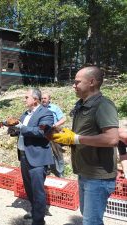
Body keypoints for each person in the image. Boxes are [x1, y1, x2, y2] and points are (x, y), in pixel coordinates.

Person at [51, 66, 119, 225]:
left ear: (92, 82)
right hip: (85, 173)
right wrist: (64, 135)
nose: (73, 85)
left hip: (98, 177)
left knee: (91, 222)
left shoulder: (103, 105)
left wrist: (75, 139)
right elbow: (84, 134)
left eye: (77, 82)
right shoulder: (81, 105)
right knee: (87, 218)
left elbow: (112, 139)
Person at [9, 88, 54, 225]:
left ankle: (39, 220)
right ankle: (35, 211)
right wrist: (12, 130)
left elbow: (42, 132)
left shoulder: (46, 113)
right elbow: (21, 130)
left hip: (38, 157)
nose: (24, 99)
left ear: (35, 99)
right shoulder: (25, 114)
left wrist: (21, 128)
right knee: (29, 187)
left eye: (26, 97)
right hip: (24, 155)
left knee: (37, 189)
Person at [42, 93, 66, 177]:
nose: (43, 100)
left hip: (53, 132)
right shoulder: (39, 109)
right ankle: (46, 170)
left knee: (57, 153)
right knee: (44, 152)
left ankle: (60, 172)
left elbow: (63, 119)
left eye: (45, 98)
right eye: (41, 98)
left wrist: (55, 125)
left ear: (49, 99)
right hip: (42, 133)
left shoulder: (54, 108)